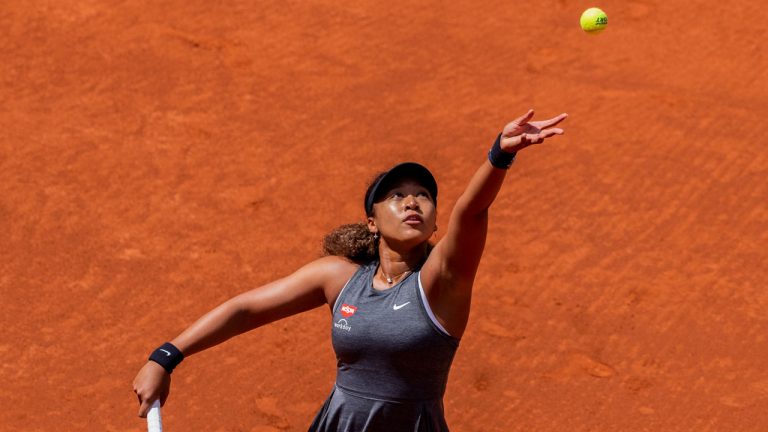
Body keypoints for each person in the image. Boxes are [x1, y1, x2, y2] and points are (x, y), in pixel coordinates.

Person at [132, 109, 567, 431]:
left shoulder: (441, 281)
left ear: (436, 223)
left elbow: (471, 213)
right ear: (372, 222)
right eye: (396, 196)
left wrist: (499, 155)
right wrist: (166, 356)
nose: (412, 202)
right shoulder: (340, 278)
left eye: (423, 195)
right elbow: (246, 309)